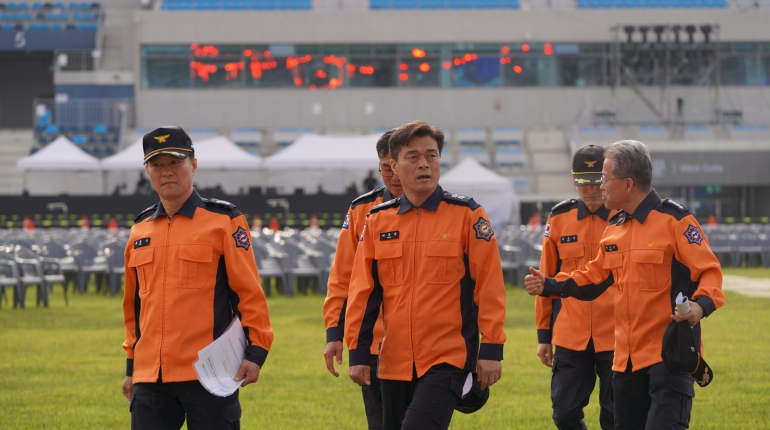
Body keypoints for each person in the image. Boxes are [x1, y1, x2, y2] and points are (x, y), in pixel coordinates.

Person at [525, 140, 725, 430]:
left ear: (628, 184)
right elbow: (593, 278)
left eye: (605, 179)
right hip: (625, 362)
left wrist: (700, 306)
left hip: (668, 355)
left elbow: (710, 271)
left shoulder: (675, 221)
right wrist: (550, 285)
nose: (600, 186)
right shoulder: (614, 228)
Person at [345, 121, 507, 430]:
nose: (424, 164)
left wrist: (491, 348)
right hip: (393, 361)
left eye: (431, 155)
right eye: (413, 157)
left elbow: (489, 287)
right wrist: (358, 351)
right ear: (393, 166)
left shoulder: (468, 215)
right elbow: (363, 292)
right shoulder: (377, 220)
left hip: (447, 358)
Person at [121, 126, 274, 430]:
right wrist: (131, 365)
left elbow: (248, 292)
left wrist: (257, 352)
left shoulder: (224, 220)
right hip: (151, 376)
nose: (166, 172)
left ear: (193, 164)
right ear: (147, 171)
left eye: (175, 162)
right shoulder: (139, 229)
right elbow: (134, 307)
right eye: (157, 164)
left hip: (209, 372)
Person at [323, 129, 403, 430]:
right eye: (386, 168)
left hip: (429, 343)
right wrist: (334, 333)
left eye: (397, 167)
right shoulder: (361, 210)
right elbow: (342, 276)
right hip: (373, 344)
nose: (394, 176)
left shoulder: (448, 210)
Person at [535, 144, 616, 430]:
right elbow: (545, 279)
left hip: (616, 332)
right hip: (571, 333)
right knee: (564, 413)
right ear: (574, 179)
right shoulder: (559, 218)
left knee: (616, 417)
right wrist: (544, 335)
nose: (591, 190)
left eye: (597, 183)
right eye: (583, 183)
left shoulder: (624, 218)